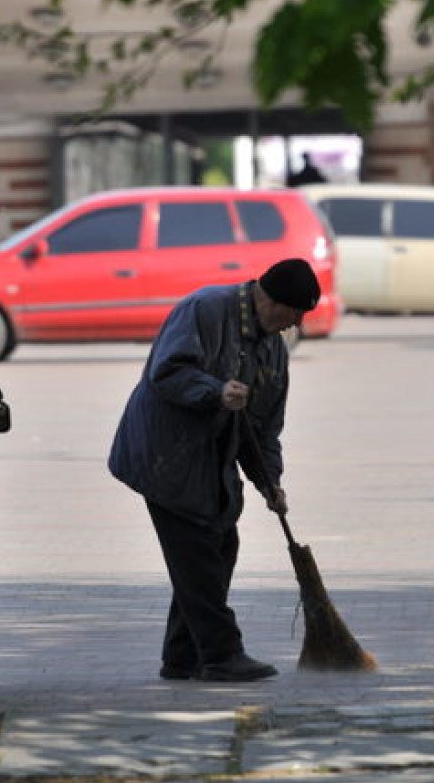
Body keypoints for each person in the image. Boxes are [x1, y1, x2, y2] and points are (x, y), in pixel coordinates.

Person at [108, 257, 322, 682]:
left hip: (211, 459)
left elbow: (263, 428)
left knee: (220, 547)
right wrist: (216, 390)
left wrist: (270, 483)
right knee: (199, 555)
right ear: (269, 298)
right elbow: (166, 372)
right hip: (165, 454)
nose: (294, 324)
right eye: (293, 313)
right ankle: (222, 654)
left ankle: (182, 656)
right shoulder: (205, 309)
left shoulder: (273, 352)